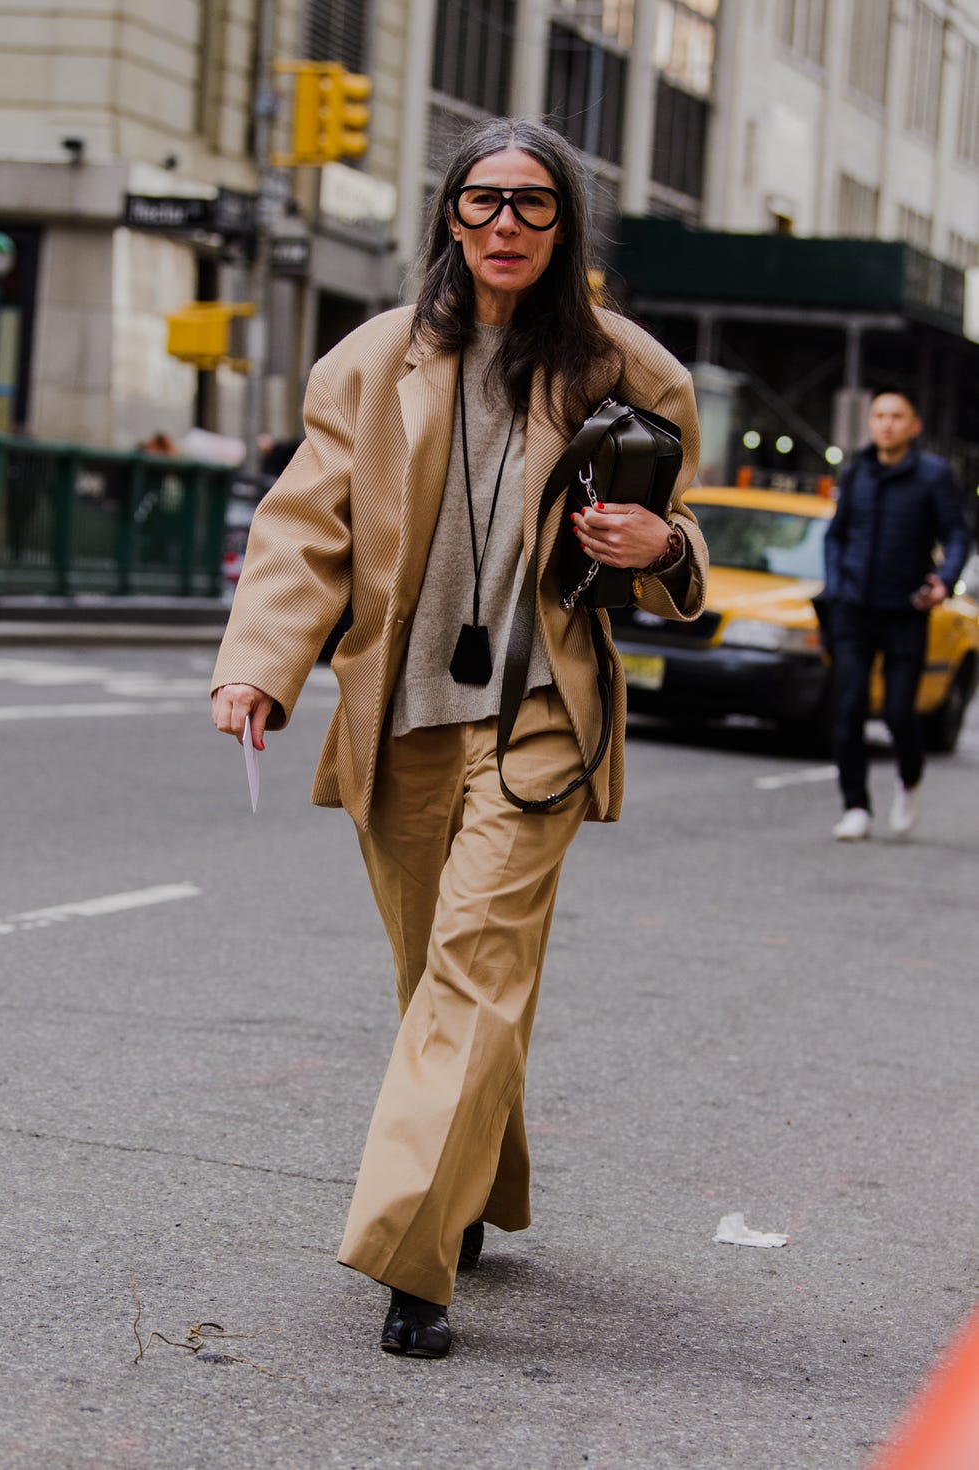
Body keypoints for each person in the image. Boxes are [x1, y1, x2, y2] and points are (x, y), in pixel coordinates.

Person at [210, 117, 707, 1359]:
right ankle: (469, 1178)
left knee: (474, 967)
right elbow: (303, 527)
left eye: (533, 205)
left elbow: (680, 536)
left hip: (543, 717)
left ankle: (410, 1261)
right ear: (449, 216)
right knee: (439, 977)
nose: (505, 225)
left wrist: (667, 552)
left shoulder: (627, 373)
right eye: (483, 201)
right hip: (406, 712)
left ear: (564, 226)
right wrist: (262, 666)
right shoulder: (370, 365)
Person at [823, 389, 969, 841]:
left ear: (914, 426)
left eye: (896, 416)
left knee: (899, 713)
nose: (886, 423)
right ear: (870, 422)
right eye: (879, 415)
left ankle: (909, 779)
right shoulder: (857, 469)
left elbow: (957, 534)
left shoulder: (934, 476)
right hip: (853, 610)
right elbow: (836, 535)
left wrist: (944, 579)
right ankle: (856, 807)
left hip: (907, 610)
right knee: (847, 708)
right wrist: (836, 587)